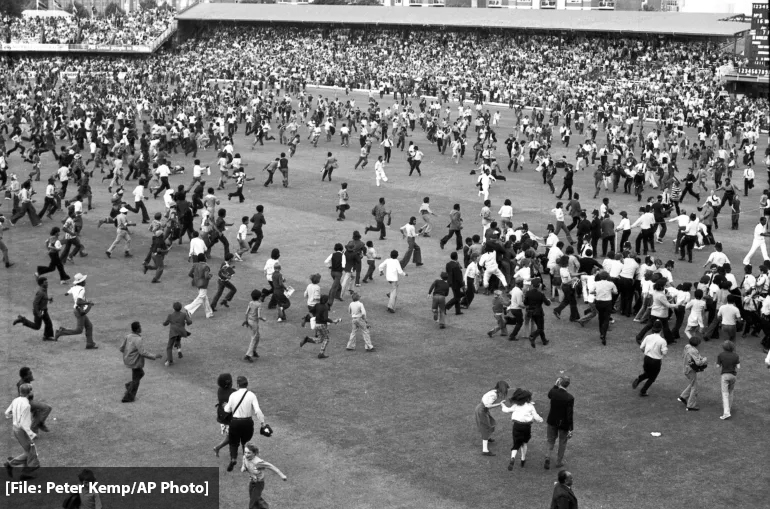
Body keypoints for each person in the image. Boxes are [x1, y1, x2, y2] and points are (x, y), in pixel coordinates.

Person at [224, 376, 268, 472]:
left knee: (233, 443)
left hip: (235, 422)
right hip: (247, 423)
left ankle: (233, 458)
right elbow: (257, 411)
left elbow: (227, 410)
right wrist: (263, 423)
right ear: (247, 384)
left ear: (237, 385)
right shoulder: (251, 395)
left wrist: (225, 406)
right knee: (245, 443)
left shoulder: (233, 395)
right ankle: (245, 465)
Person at [3, 384, 39, 480]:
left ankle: (24, 474)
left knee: (29, 451)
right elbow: (24, 424)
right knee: (31, 452)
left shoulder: (15, 400)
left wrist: (14, 416)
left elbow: (7, 413)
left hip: (15, 429)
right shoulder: (26, 405)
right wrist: (32, 434)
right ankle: (10, 464)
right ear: (29, 392)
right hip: (22, 431)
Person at [119, 322, 161, 403]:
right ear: (137, 329)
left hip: (128, 359)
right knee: (136, 378)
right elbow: (142, 352)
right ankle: (128, 397)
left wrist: (128, 354)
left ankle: (129, 386)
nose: (141, 328)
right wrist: (154, 356)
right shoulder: (138, 339)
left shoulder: (128, 336)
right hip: (135, 361)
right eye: (140, 327)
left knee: (140, 374)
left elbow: (121, 348)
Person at [501, 388, 543, 470]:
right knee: (524, 443)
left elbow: (506, 410)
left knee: (516, 444)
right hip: (526, 427)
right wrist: (540, 419)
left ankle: (513, 457)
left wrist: (502, 405)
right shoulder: (530, 406)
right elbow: (536, 417)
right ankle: (523, 459)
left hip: (517, 426)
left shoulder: (516, 406)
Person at [54, 273, 97, 349]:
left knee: (89, 326)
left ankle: (89, 343)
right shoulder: (82, 289)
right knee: (78, 330)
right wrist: (88, 303)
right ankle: (60, 332)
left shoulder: (74, 287)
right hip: (80, 311)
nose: (85, 282)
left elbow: (67, 293)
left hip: (77, 310)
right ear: (81, 282)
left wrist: (68, 293)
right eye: (84, 281)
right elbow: (78, 301)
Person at [241, 443, 288, 509]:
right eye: (245, 452)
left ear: (254, 453)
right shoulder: (245, 457)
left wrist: (282, 475)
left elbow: (271, 466)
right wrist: (243, 467)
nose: (246, 454)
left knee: (252, 504)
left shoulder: (258, 462)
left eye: (249, 453)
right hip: (252, 481)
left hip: (259, 483)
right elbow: (244, 461)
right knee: (255, 498)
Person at [544, 376, 574, 470]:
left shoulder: (554, 392)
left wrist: (555, 385)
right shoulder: (570, 398)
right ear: (568, 385)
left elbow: (549, 395)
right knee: (562, 442)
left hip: (552, 421)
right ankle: (558, 462)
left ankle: (547, 457)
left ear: (559, 382)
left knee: (550, 440)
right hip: (563, 424)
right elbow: (569, 414)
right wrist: (571, 428)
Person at [632, 321, 668, 397]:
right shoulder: (662, 341)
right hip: (656, 361)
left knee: (647, 373)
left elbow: (641, 347)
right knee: (652, 377)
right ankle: (643, 391)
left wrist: (646, 352)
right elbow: (664, 353)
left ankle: (640, 378)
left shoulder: (648, 337)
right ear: (661, 329)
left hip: (647, 358)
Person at [474, 381, 510, 456]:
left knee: (491, 423)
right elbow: (488, 405)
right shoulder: (493, 394)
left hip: (483, 409)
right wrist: (499, 404)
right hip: (482, 410)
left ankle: (487, 438)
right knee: (485, 427)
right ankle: (485, 450)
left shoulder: (493, 391)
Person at [679, 336, 707, 411]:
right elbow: (698, 363)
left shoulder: (687, 346)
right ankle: (690, 405)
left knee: (693, 383)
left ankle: (683, 397)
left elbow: (683, 356)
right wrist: (704, 360)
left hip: (686, 368)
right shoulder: (694, 351)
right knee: (694, 387)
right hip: (690, 370)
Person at [162, 302, 192, 367]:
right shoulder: (184, 314)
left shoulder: (170, 315)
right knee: (178, 339)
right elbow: (190, 322)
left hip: (173, 333)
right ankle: (178, 350)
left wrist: (163, 323)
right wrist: (186, 321)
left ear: (173, 308)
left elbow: (165, 323)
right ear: (181, 308)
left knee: (169, 347)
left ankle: (170, 361)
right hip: (181, 332)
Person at [186, 253, 214, 319]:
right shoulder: (206, 266)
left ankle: (209, 313)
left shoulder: (195, 265)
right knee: (201, 298)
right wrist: (210, 276)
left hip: (197, 283)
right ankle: (189, 309)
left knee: (205, 299)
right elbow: (206, 276)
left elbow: (190, 274)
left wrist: (195, 278)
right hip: (203, 284)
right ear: (204, 258)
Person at [716, 340, 740, 420]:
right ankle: (728, 409)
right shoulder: (736, 355)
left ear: (724, 347)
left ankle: (726, 413)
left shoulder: (721, 355)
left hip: (725, 376)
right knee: (731, 392)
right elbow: (738, 367)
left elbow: (718, 366)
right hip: (733, 376)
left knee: (725, 394)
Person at [214, 373, 236, 458]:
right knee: (231, 437)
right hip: (229, 418)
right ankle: (217, 447)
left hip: (223, 417)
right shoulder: (232, 393)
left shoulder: (220, 390)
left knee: (232, 435)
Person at [242, 290, 267, 362]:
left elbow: (246, 313)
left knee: (257, 336)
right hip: (254, 323)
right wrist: (263, 319)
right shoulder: (259, 304)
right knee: (254, 338)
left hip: (249, 321)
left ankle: (253, 351)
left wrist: (246, 321)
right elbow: (259, 316)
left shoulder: (250, 303)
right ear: (259, 297)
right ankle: (248, 355)